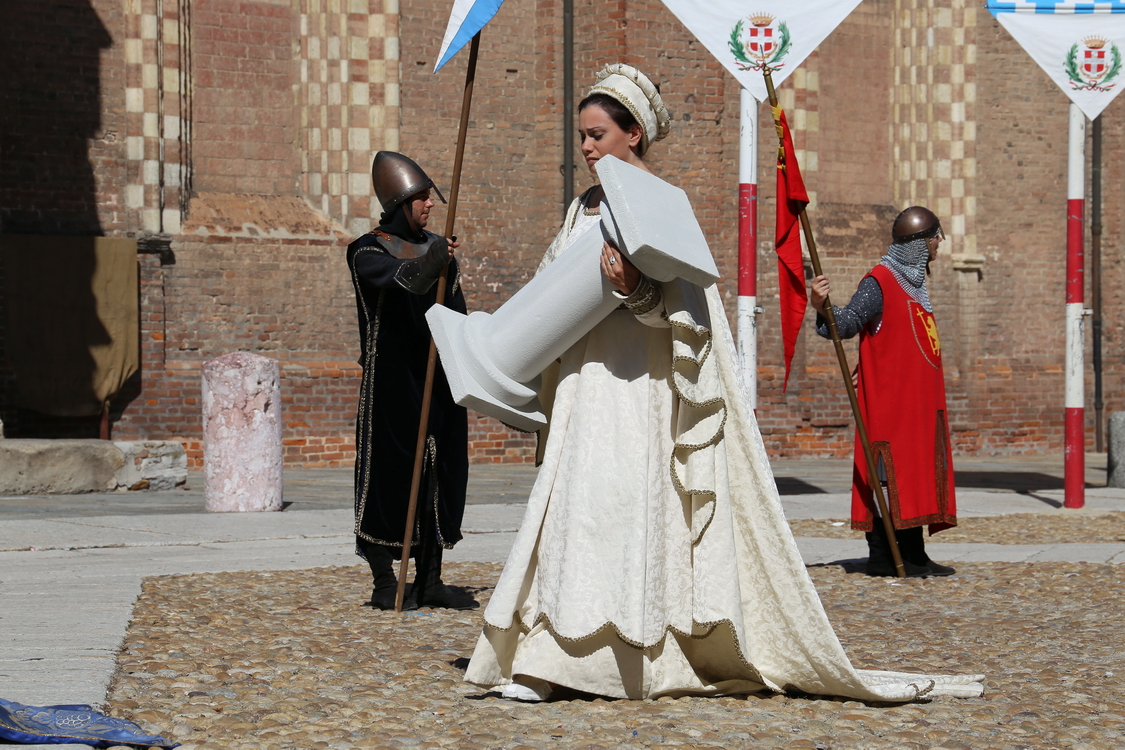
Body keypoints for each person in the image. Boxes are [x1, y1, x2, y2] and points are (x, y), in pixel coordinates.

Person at [463, 64, 982, 702]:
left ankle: (626, 662)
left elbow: (689, 316)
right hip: (585, 385)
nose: (588, 147)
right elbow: (552, 290)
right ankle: (547, 660)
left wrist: (637, 292)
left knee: (628, 515)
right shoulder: (582, 207)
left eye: (598, 134)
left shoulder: (659, 203)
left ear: (635, 136)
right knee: (574, 514)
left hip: (643, 393)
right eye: (582, 135)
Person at [346, 151, 477, 611]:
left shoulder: (440, 250)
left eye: (430, 197)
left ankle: (430, 580)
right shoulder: (366, 250)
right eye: (421, 198)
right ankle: (385, 580)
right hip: (391, 384)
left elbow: (455, 315)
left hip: (438, 379)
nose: (430, 205)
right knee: (389, 477)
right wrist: (433, 261)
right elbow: (405, 280)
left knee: (439, 474)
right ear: (400, 203)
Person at [809, 206, 958, 578]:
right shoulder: (880, 281)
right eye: (935, 235)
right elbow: (844, 325)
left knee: (917, 472)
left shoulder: (914, 284)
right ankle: (883, 554)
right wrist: (819, 306)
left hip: (918, 403)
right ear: (919, 244)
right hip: (892, 403)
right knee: (892, 475)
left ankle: (915, 553)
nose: (940, 242)